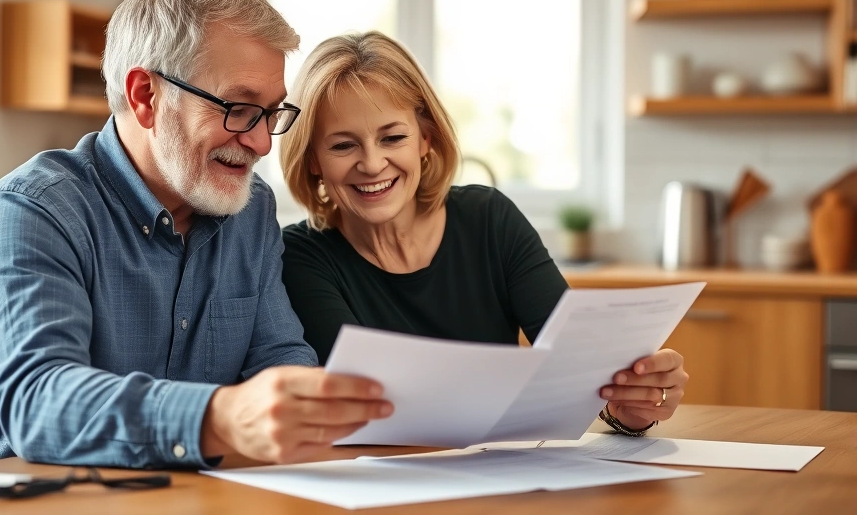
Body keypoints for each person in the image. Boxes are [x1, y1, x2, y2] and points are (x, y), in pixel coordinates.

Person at [0, 0, 393, 470]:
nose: (261, 142)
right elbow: (40, 402)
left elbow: (279, 357)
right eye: (240, 108)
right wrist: (217, 417)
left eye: (271, 113)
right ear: (145, 96)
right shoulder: (33, 210)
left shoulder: (252, 211)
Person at [279, 31, 688, 434]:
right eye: (342, 146)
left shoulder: (490, 220)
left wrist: (629, 408)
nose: (372, 163)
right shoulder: (300, 256)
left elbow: (580, 372)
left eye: (393, 137)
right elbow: (363, 402)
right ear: (313, 159)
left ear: (425, 139)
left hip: (500, 477)